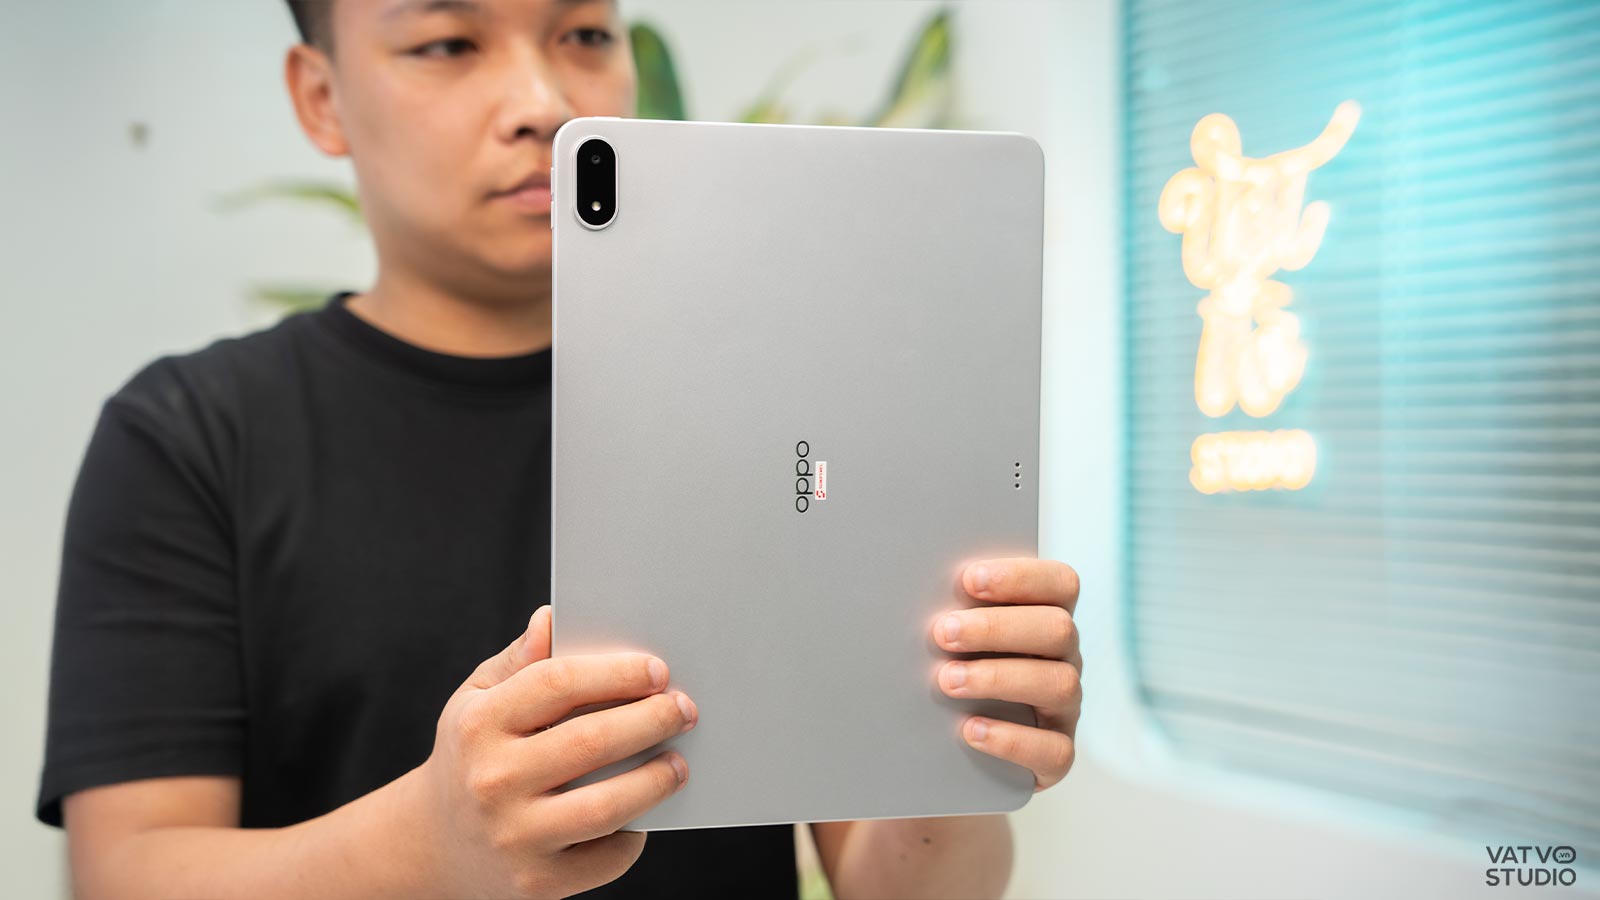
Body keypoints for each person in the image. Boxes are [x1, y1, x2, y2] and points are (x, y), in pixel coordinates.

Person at [35, 0, 1085, 896]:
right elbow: (126, 874)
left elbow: (896, 878)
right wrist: (431, 843)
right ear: (320, 97)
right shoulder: (190, 436)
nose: (541, 100)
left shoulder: (787, 393)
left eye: (583, 33)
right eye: (448, 44)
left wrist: (964, 742)